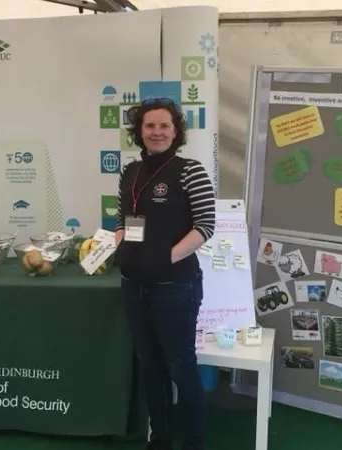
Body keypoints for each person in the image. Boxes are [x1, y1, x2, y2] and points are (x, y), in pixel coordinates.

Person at [113, 97, 216, 450]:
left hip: (175, 287)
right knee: (149, 366)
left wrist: (164, 258)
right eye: (150, 126)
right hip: (134, 286)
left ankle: (194, 442)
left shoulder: (190, 171)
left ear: (176, 131)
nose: (157, 132)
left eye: (164, 126)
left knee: (181, 367)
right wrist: (110, 246)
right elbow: (124, 223)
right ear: (139, 132)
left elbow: (205, 226)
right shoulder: (129, 172)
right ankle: (160, 437)